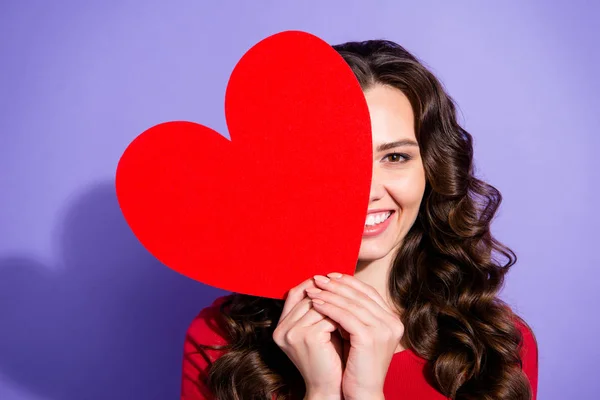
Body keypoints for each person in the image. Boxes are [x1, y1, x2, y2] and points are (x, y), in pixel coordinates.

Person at [180, 39, 539, 400]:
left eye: (395, 157)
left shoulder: (496, 346)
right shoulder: (218, 339)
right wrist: (321, 391)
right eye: (334, 160)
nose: (367, 191)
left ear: (431, 169)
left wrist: (366, 393)